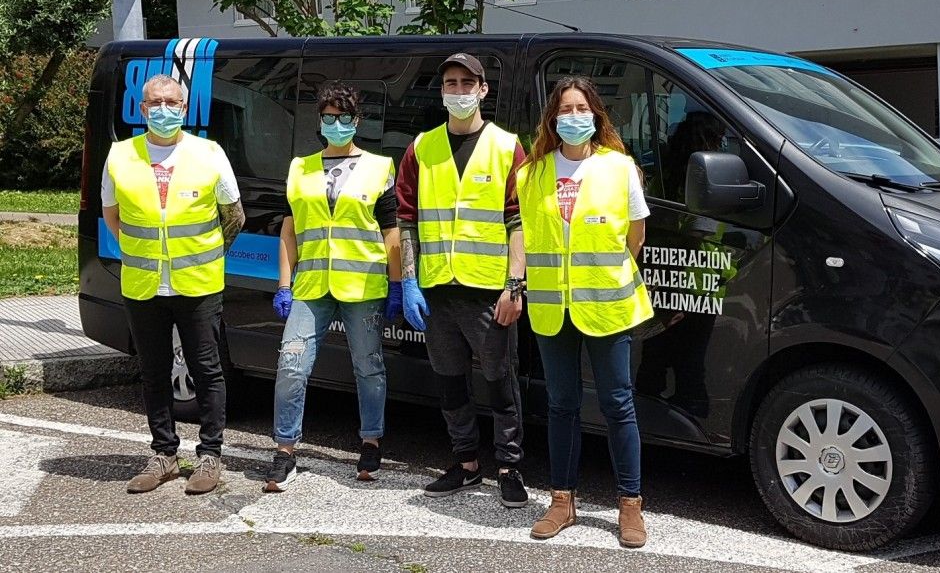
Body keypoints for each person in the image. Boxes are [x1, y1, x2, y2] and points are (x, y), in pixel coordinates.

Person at [517, 76, 654, 548]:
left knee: (618, 404)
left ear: (596, 115)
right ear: (553, 119)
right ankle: (562, 501)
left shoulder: (620, 168)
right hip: (553, 308)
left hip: (607, 306)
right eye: (564, 109)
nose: (573, 116)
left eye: (581, 108)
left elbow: (636, 236)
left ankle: (630, 507)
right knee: (561, 404)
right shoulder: (531, 173)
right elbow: (526, 236)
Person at [102, 74, 245, 495]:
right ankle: (164, 453)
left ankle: (210, 455)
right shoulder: (119, 156)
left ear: (185, 109)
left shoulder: (209, 153)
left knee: (207, 370)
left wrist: (208, 253)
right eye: (155, 103)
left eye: (172, 102)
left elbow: (233, 216)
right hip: (144, 283)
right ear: (142, 110)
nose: (164, 109)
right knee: (153, 371)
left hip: (198, 283)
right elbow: (113, 215)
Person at [396, 53, 529, 508]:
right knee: (450, 382)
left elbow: (519, 222)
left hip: (488, 292)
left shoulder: (507, 147)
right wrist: (409, 280)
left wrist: (515, 286)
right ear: (442, 92)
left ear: (483, 90)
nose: (457, 91)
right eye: (450, 83)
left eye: (466, 83)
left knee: (499, 382)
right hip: (436, 290)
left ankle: (510, 467)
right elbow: (407, 220)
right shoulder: (422, 147)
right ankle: (466, 463)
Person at [264, 82, 402, 491]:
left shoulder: (380, 167)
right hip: (310, 286)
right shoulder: (299, 168)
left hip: (364, 285)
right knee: (291, 365)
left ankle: (371, 442)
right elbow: (289, 232)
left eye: (344, 117)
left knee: (368, 366)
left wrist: (397, 284)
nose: (336, 124)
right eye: (329, 117)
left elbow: (391, 232)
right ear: (319, 121)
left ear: (356, 121)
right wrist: (284, 285)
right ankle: (285, 451)